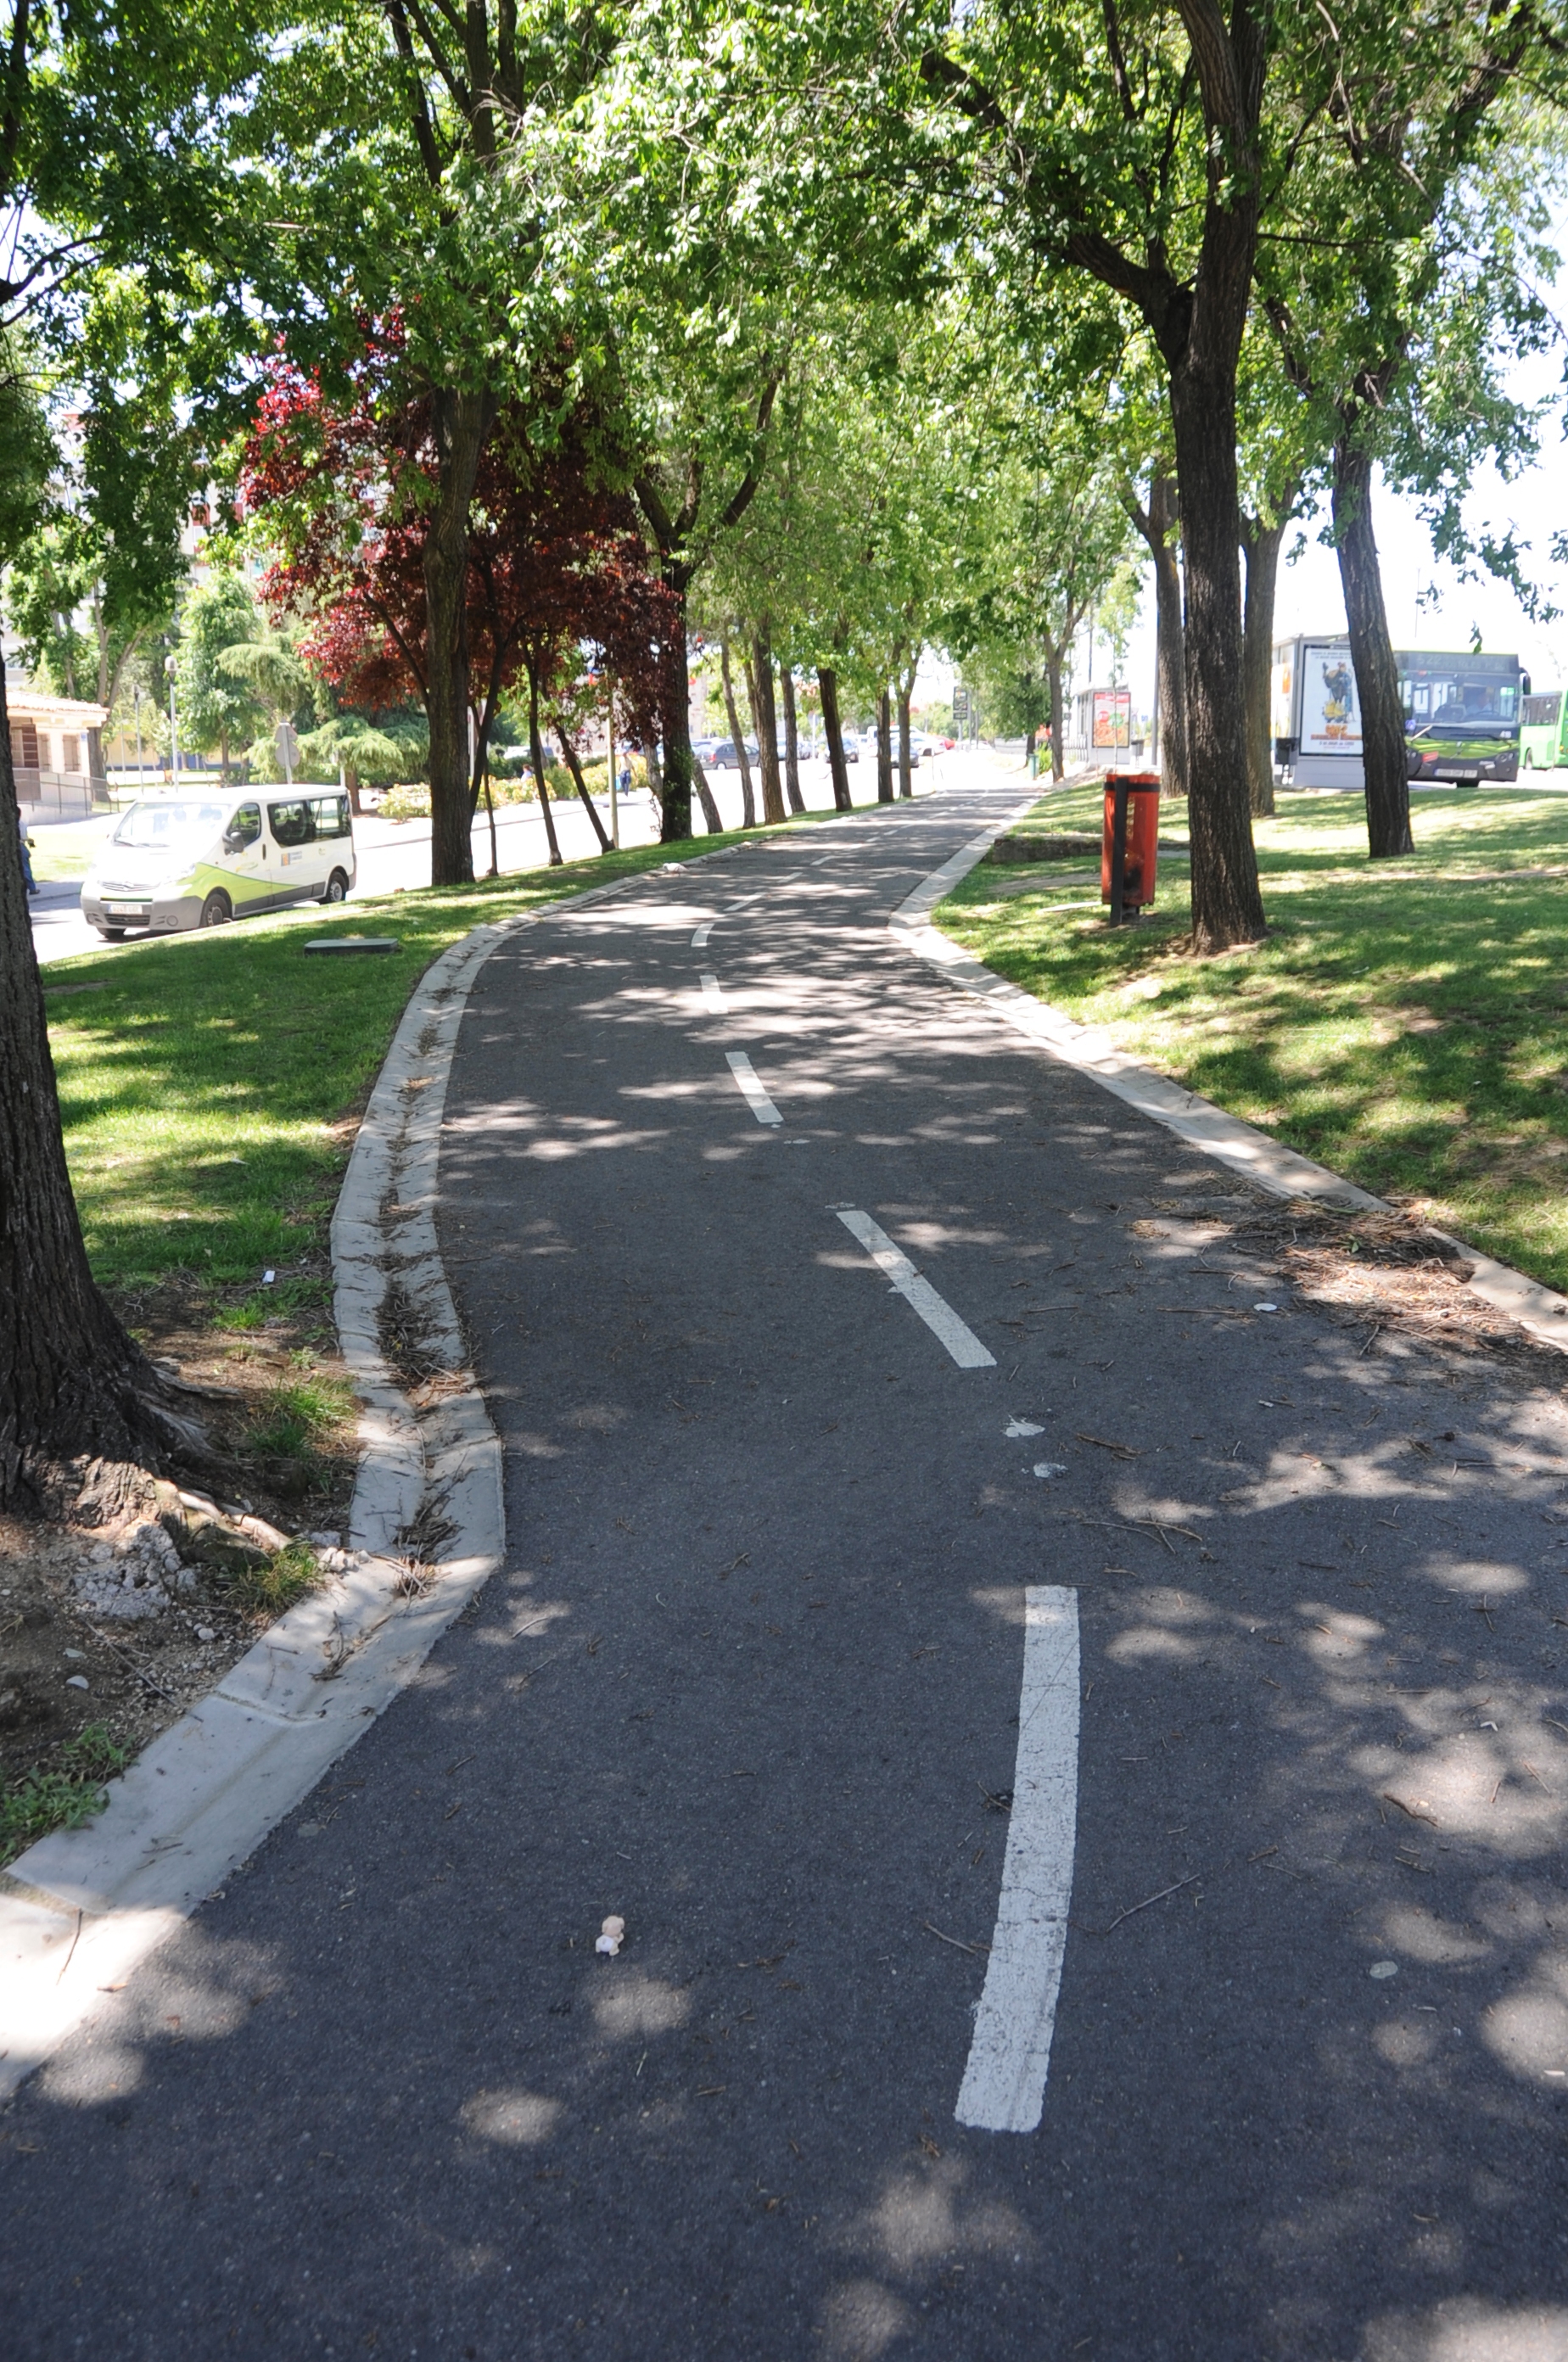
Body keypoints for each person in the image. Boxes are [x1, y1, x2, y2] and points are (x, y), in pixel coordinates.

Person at [18, 811, 37, 895]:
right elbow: (23, 836)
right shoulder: (21, 824)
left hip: (20, 844)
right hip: (21, 845)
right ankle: (32, 888)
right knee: (26, 868)